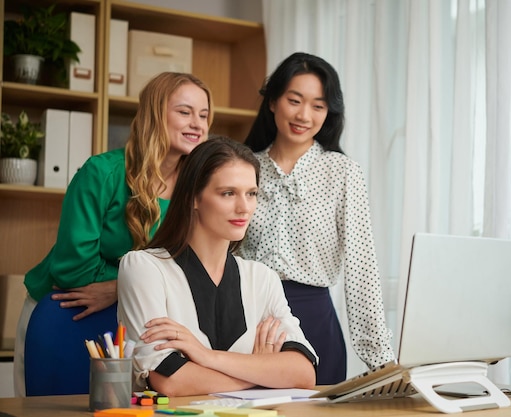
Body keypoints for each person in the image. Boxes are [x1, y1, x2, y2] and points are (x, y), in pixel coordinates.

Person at [13, 72, 213, 397]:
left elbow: (192, 267)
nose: (197, 124)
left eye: (204, 115)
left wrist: (118, 287)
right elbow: (72, 269)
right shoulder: (101, 173)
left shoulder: (198, 188)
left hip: (136, 321)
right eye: (184, 111)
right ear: (155, 113)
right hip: (67, 314)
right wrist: (134, 283)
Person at [237, 52, 395, 384]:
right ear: (272, 101)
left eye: (318, 106)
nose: (304, 115)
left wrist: (382, 365)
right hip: (247, 318)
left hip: (314, 319)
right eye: (294, 100)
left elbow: (361, 266)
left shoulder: (342, 172)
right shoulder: (242, 167)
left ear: (329, 112)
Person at [117, 136, 317, 395]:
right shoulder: (144, 268)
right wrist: (261, 371)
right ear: (193, 198)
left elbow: (303, 373)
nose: (244, 208)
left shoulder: (262, 278)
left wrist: (206, 357)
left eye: (252, 194)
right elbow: (170, 381)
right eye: (228, 193)